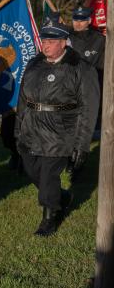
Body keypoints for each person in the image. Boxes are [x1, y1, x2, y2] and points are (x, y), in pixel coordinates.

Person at [15, 17, 99, 236]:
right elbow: (23, 99)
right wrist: (18, 129)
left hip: (61, 130)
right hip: (31, 128)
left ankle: (49, 218)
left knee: (48, 176)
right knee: (32, 171)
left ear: (64, 42)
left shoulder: (80, 68)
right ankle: (62, 196)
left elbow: (89, 109)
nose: (46, 44)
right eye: (44, 40)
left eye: (52, 40)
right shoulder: (34, 64)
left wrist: (82, 144)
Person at [69, 6, 105, 140]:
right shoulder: (65, 37)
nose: (78, 23)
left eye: (82, 20)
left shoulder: (100, 40)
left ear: (89, 20)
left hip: (91, 87)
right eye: (75, 19)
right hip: (68, 87)